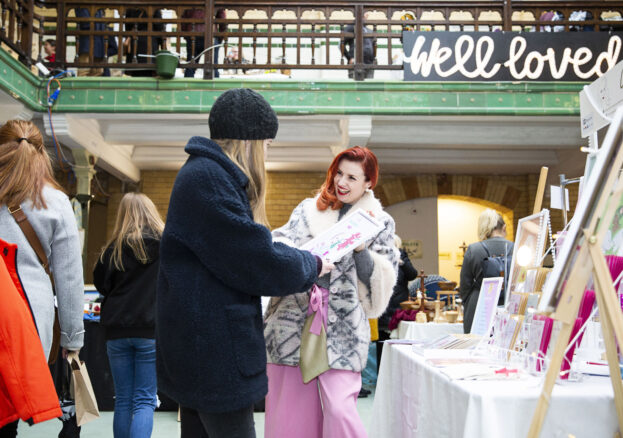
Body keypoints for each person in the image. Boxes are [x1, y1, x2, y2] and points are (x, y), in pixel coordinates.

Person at [156, 88, 333, 438]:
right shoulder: (208, 178)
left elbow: (239, 251)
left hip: (201, 346)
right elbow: (255, 260)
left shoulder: (206, 175)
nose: (267, 152)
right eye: (267, 144)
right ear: (249, 142)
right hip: (213, 351)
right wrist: (312, 263)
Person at [263, 146, 399, 438]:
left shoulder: (380, 223)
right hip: (293, 320)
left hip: (344, 327)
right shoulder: (307, 210)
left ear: (368, 183)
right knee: (290, 416)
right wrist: (305, 261)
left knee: (340, 409)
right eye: (339, 172)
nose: (342, 182)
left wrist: (361, 248)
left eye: (352, 176)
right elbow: (278, 248)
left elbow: (381, 286)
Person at [0, 120, 84, 437]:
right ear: (41, 154)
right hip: (27, 320)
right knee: (8, 415)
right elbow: (69, 278)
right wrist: (73, 340)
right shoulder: (53, 201)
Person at [93, 193, 163, 438]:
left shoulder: (111, 250)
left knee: (123, 398)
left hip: (116, 332)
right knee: (144, 399)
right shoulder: (166, 248)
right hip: (150, 330)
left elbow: (102, 286)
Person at [459, 209, 514, 333]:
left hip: (479, 305)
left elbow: (465, 285)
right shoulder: (515, 248)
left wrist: (468, 302)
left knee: (475, 346)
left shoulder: (474, 249)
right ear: (504, 228)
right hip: (508, 305)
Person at [376, 234, 417, 371]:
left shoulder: (402, 256)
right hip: (383, 305)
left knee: (400, 342)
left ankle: (400, 372)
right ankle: (382, 373)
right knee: (382, 341)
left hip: (399, 306)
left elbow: (413, 274)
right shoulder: (378, 257)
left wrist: (402, 263)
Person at [182, 7, 226, 78]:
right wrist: (219, 37)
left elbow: (183, 20)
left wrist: (187, 36)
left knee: (190, 66)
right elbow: (222, 20)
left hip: (193, 36)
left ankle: (187, 86)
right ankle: (216, 88)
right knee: (213, 66)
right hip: (211, 36)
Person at [124, 8, 165, 77]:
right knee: (148, 74)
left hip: (135, 45)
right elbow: (159, 27)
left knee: (136, 74)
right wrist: (161, 44)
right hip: (150, 45)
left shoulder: (131, 7)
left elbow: (127, 27)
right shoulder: (154, 8)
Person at [343, 12, 375, 79]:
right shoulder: (351, 27)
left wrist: (373, 59)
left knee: (369, 87)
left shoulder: (369, 30)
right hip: (355, 63)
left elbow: (373, 45)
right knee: (355, 87)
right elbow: (340, 44)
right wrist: (349, 57)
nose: (367, 15)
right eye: (366, 13)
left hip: (369, 64)